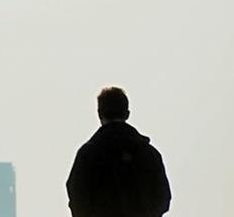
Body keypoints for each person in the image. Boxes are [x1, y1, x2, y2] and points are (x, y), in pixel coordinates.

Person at [66, 86, 171, 217]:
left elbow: (77, 197)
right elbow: (163, 199)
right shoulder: (148, 153)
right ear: (127, 113)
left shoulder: (88, 154)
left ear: (99, 113)